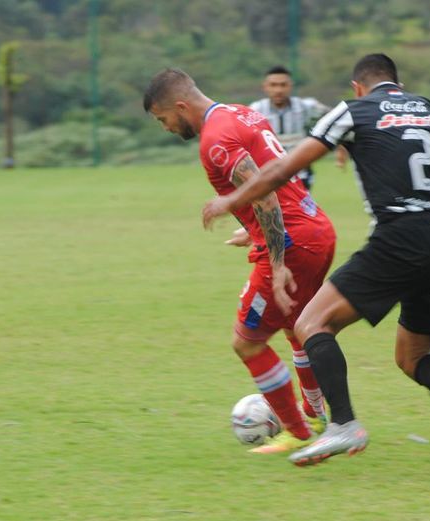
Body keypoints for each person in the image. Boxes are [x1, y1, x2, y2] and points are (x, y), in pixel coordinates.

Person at [202, 54, 430, 472]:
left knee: (311, 324)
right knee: (413, 356)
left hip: (399, 238)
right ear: (397, 83)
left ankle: (343, 425)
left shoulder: (353, 110)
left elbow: (284, 167)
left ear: (358, 86)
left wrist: (233, 198)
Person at [143, 68, 337, 454]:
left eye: (163, 119)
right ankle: (316, 417)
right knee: (298, 327)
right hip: (315, 228)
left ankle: (296, 432)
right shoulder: (241, 113)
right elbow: (274, 174)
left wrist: (278, 262)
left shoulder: (215, 140)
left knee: (247, 342)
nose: (165, 128)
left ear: (181, 106)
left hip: (292, 242)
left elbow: (264, 196)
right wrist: (252, 229)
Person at [250, 65, 347, 190]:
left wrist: (342, 145)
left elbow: (339, 120)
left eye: (283, 85)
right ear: (265, 87)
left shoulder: (306, 106)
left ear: (290, 86)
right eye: (273, 85)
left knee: (301, 209)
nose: (278, 90)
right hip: (267, 175)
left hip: (300, 174)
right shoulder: (255, 110)